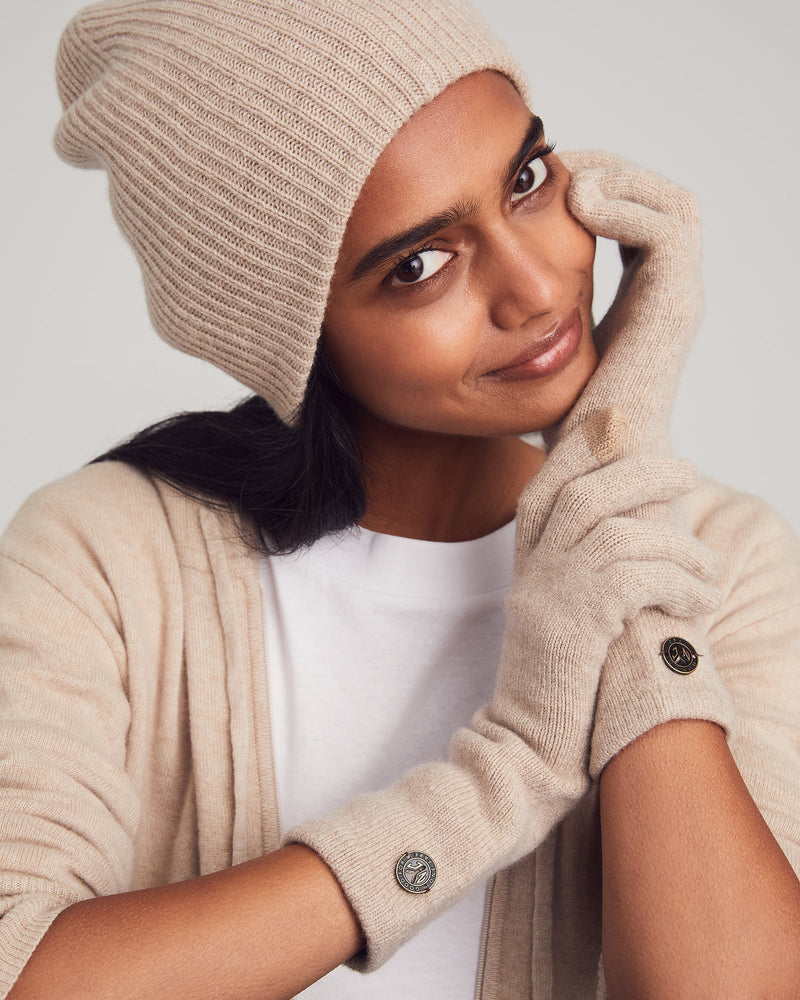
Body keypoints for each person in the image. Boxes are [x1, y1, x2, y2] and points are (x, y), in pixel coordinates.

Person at [1, 1, 799, 998]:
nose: (536, 290)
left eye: (523, 179)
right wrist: (501, 778)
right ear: (288, 333)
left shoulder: (719, 558)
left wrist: (611, 487)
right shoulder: (107, 556)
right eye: (418, 265)